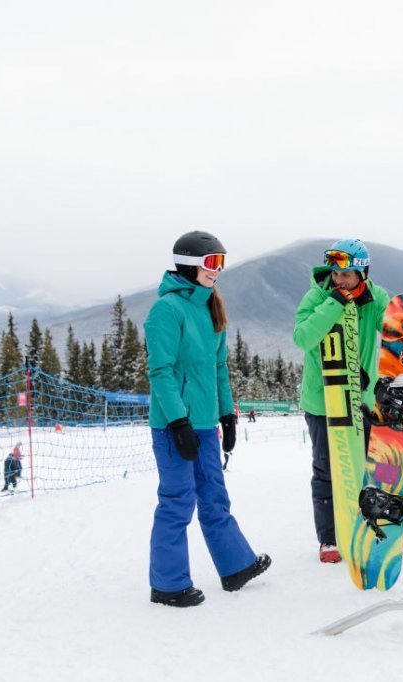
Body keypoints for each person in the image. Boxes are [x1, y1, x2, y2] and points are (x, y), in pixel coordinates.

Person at [294, 239, 403, 564]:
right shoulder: (318, 297)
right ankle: (331, 539)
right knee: (327, 468)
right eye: (335, 273)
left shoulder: (376, 299)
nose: (339, 279)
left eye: (346, 274)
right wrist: (335, 302)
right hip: (324, 400)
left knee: (384, 465)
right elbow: (304, 337)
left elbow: (393, 328)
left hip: (360, 398)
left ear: (362, 272)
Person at [145, 231, 271, 608]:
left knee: (214, 496)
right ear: (189, 263)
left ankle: (235, 566)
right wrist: (178, 423)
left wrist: (226, 414)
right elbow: (161, 372)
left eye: (221, 262)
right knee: (178, 500)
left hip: (203, 423)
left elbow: (219, 368)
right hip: (174, 425)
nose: (218, 271)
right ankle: (167, 584)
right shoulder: (166, 310)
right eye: (212, 262)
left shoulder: (209, 306)